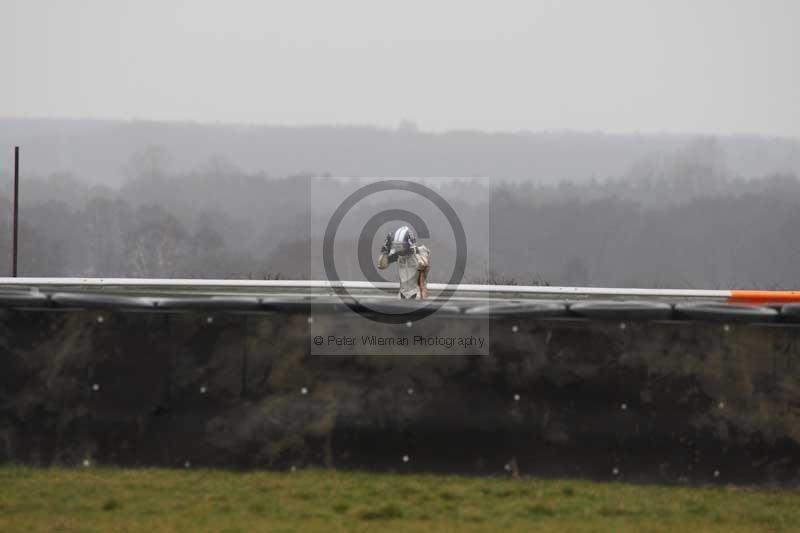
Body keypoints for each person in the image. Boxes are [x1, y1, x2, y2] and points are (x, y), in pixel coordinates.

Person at [376, 225, 430, 299]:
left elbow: (423, 264)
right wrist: (385, 250)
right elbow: (381, 265)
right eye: (396, 246)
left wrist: (415, 253)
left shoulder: (420, 251)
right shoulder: (398, 255)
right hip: (402, 294)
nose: (399, 249)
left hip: (418, 293)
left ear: (408, 244)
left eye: (401, 246)